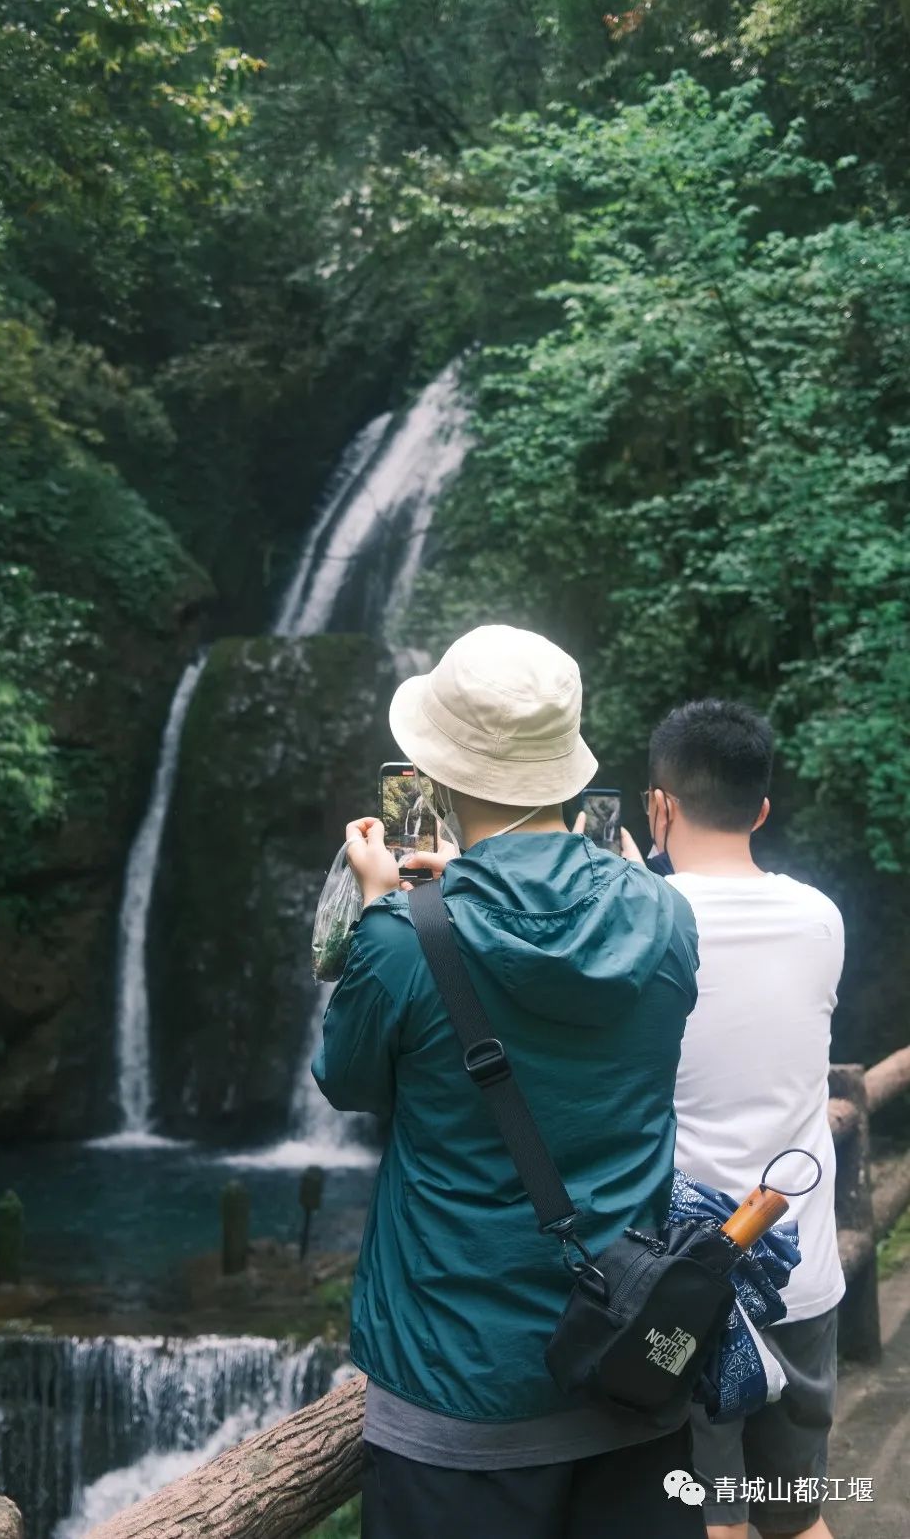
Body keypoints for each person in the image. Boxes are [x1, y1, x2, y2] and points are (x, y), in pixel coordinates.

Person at [312, 624, 704, 1539]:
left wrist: (382, 903)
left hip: (458, 1390)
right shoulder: (666, 917)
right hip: (630, 1365)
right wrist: (476, 890)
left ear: (437, 773)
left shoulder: (407, 937)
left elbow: (347, 1080)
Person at [645, 699, 845, 1539]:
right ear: (762, 809)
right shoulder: (822, 918)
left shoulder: (643, 921)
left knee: (709, 1521)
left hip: (686, 1294)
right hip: (802, 1277)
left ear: (659, 804)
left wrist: (633, 872)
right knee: (798, 1519)